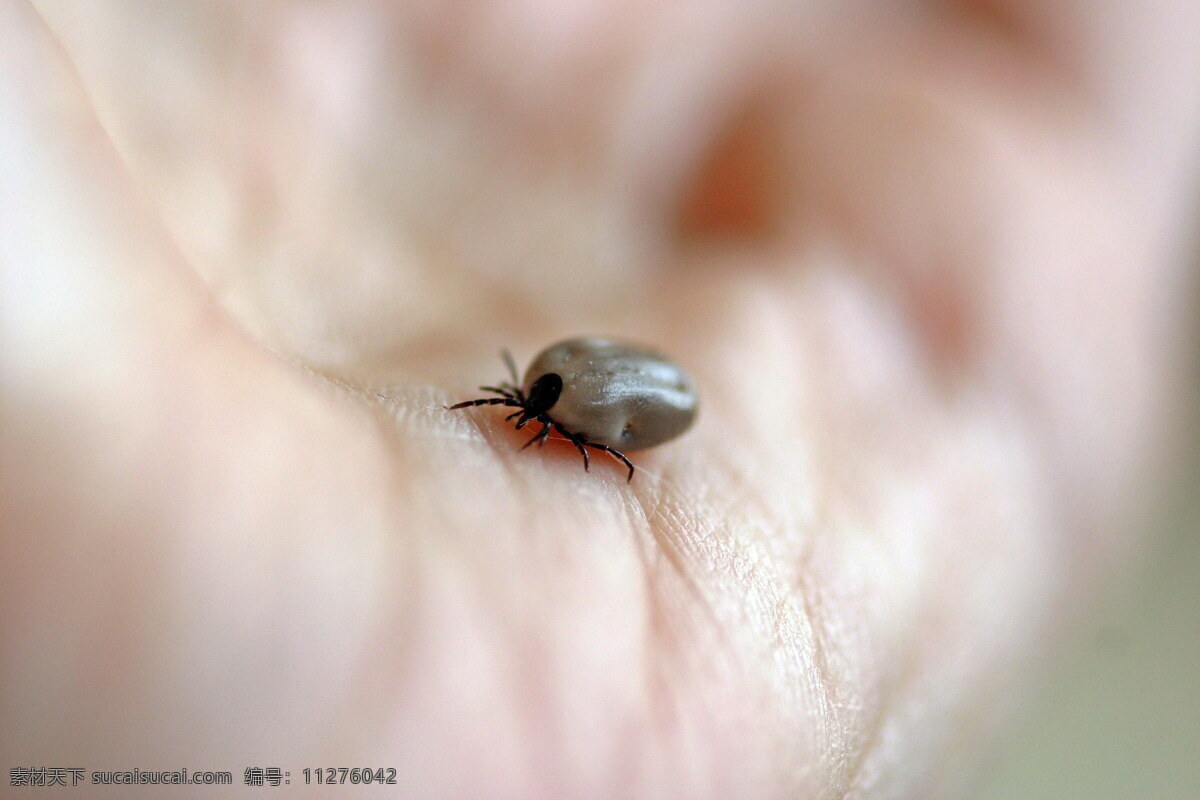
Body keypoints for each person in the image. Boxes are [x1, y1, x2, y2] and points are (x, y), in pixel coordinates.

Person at [3, 1, 1197, 796]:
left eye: (531, 417)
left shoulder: (569, 395)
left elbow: (604, 408)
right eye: (532, 416)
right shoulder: (564, 397)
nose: (523, 424)